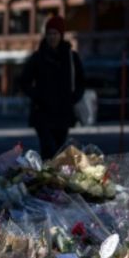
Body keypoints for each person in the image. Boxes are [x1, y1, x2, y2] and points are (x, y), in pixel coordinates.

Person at [18, 14, 86, 159]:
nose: (52, 37)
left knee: (59, 151)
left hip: (63, 114)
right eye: (49, 34)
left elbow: (81, 81)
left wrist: (72, 98)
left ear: (61, 35)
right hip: (42, 113)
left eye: (55, 33)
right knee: (48, 148)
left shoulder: (71, 57)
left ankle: (53, 179)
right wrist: (37, 95)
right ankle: (46, 179)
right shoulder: (38, 57)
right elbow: (24, 81)